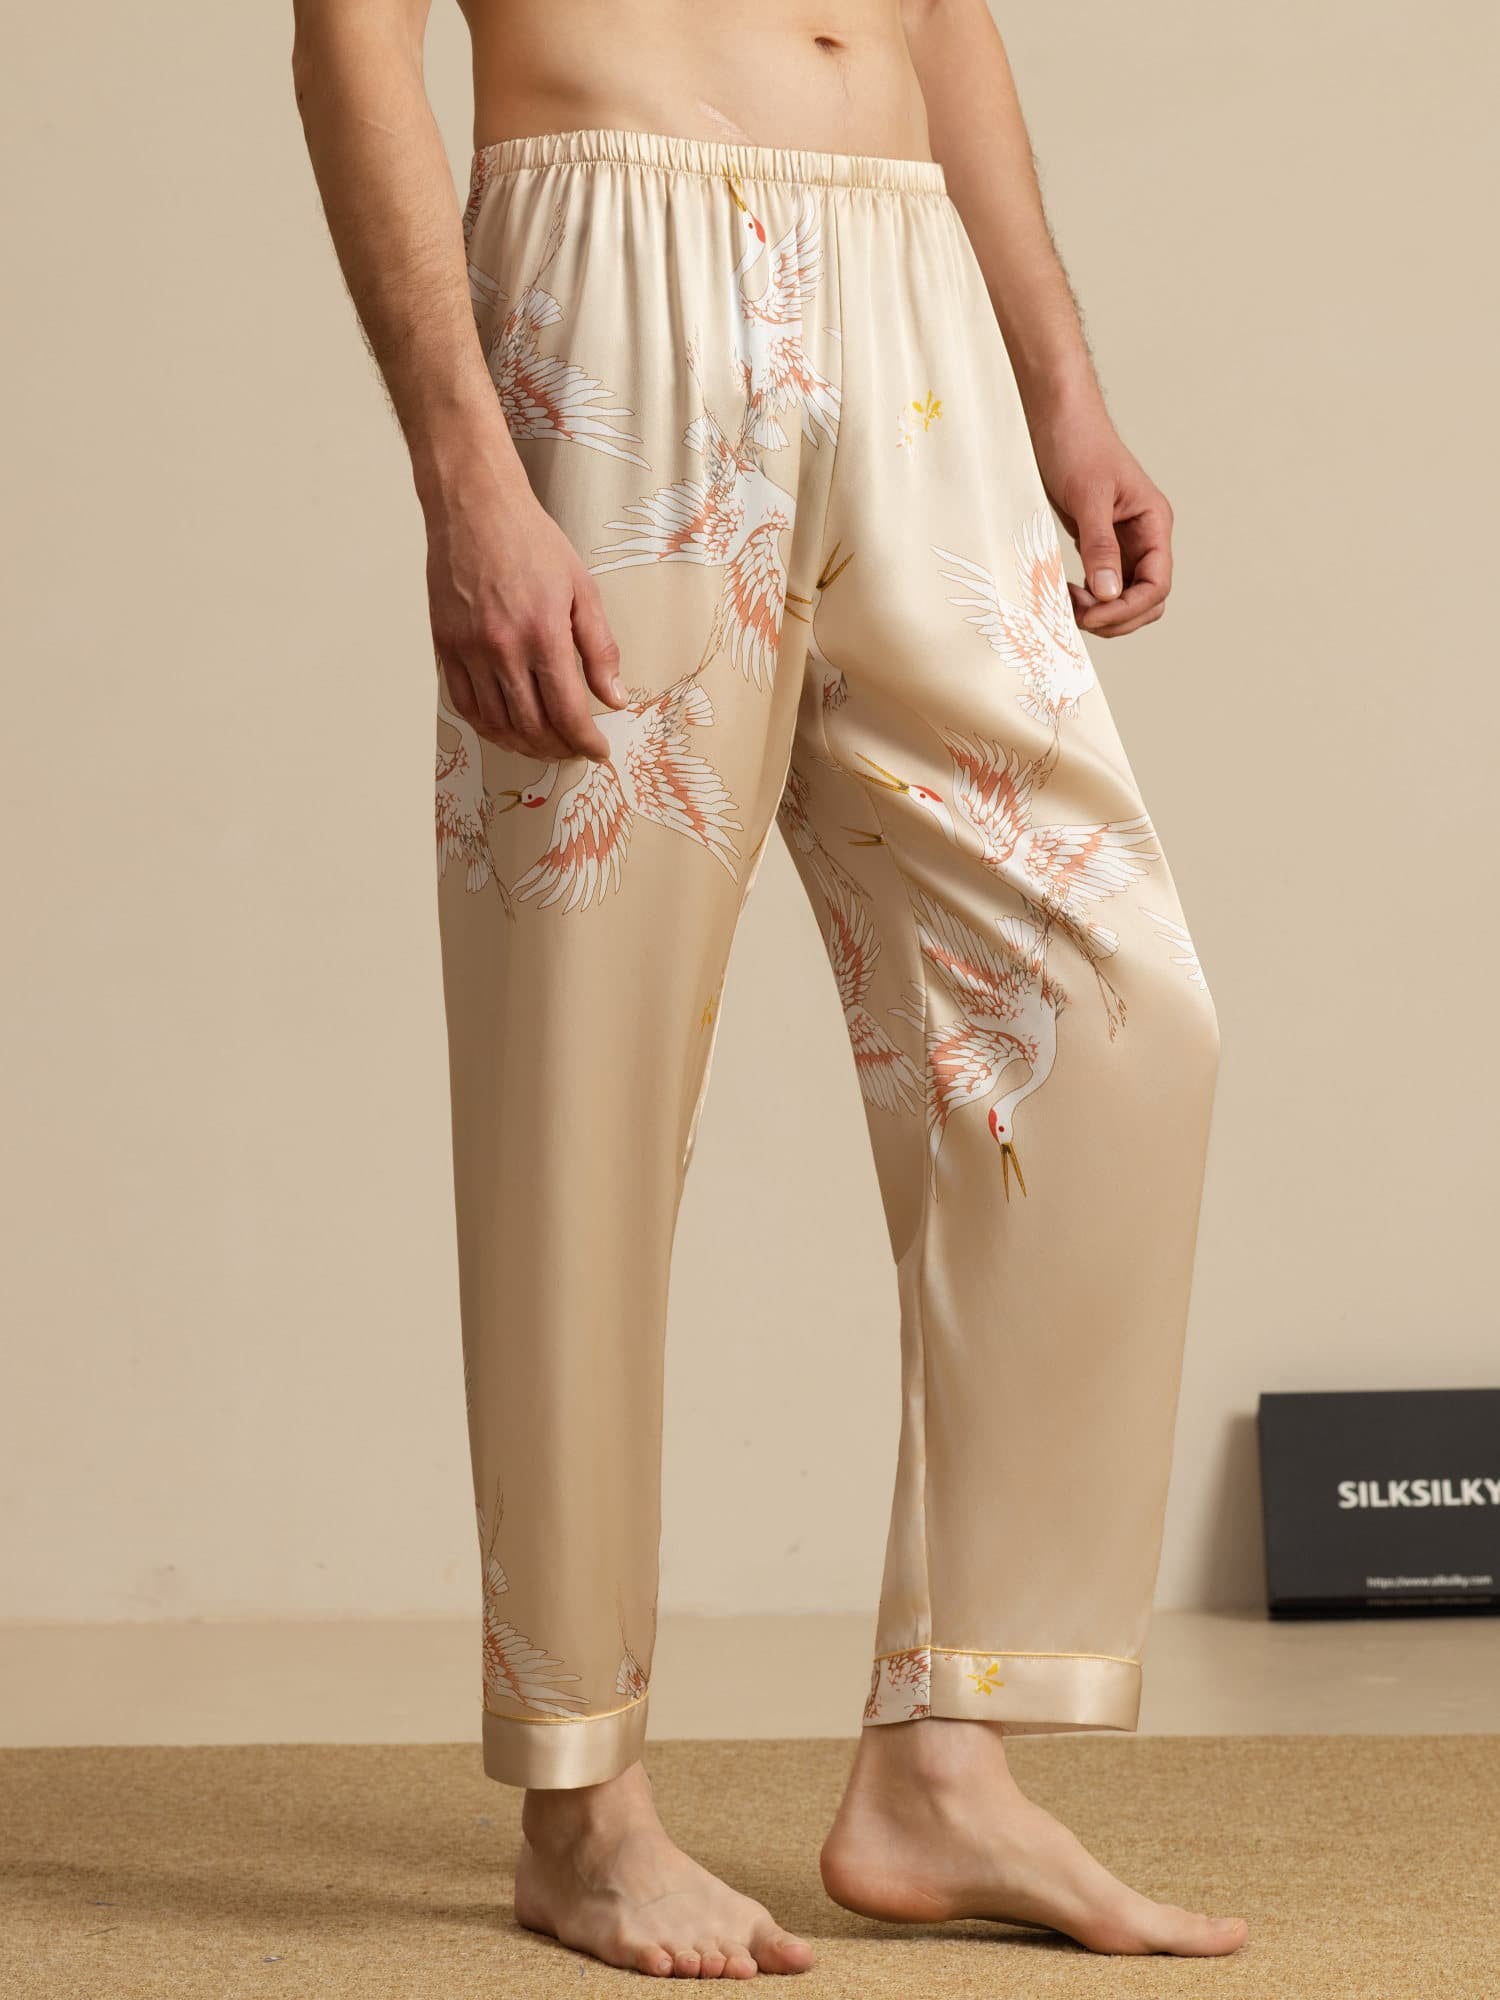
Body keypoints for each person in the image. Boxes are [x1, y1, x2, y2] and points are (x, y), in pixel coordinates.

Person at [293, 0, 1246, 1978]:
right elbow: (349, 33)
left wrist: (1061, 381)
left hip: (912, 293)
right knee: (583, 1066)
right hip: (610, 270)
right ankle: (584, 1808)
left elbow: (940, 17)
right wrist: (463, 469)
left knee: (1107, 1009)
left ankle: (945, 1768)